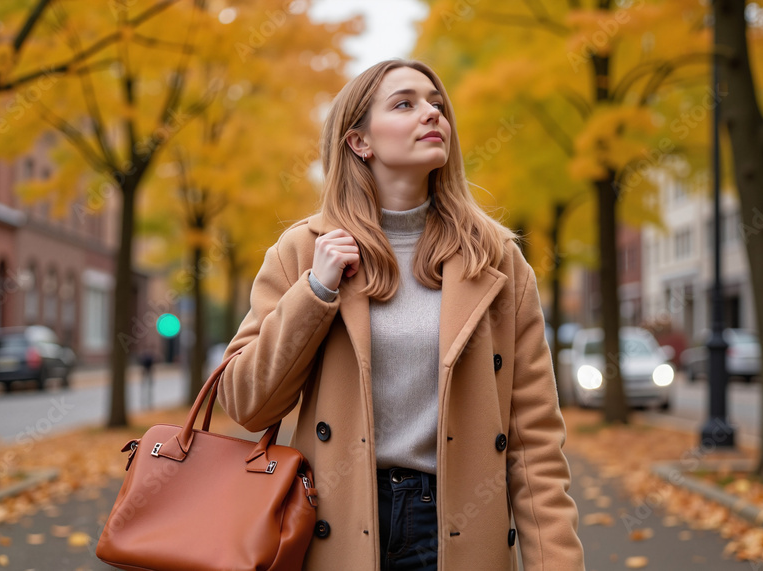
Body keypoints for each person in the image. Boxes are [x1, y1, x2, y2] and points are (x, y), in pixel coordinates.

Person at [217, 59, 584, 571]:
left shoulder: (496, 258)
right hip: (335, 524)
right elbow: (246, 404)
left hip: (457, 528)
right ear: (358, 142)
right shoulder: (303, 250)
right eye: (405, 104)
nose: (431, 114)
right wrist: (315, 291)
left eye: (437, 104)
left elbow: (535, 442)